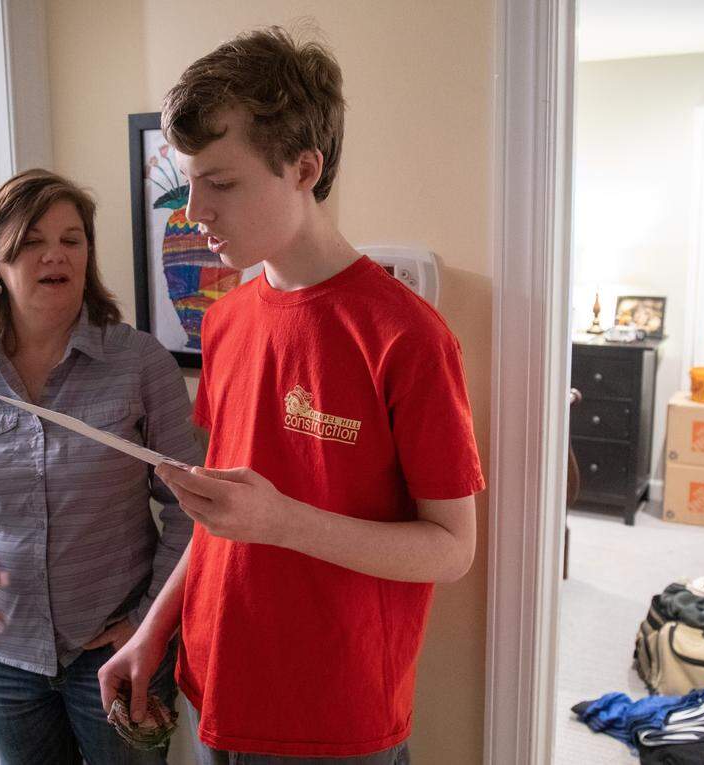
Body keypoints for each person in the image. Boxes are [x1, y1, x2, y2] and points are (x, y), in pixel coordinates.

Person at [98, 28, 485, 763]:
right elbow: (224, 516)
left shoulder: (407, 337)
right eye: (189, 184)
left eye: (222, 183)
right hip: (213, 687)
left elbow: (453, 548)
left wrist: (283, 520)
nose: (193, 212)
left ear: (304, 168)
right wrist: (155, 629)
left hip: (334, 721)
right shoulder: (227, 319)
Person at [0, 169, 201, 764]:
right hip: (3, 660)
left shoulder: (139, 363)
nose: (55, 255)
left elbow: (193, 507)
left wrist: (148, 623)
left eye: (72, 239)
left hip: (119, 652)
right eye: (32, 240)